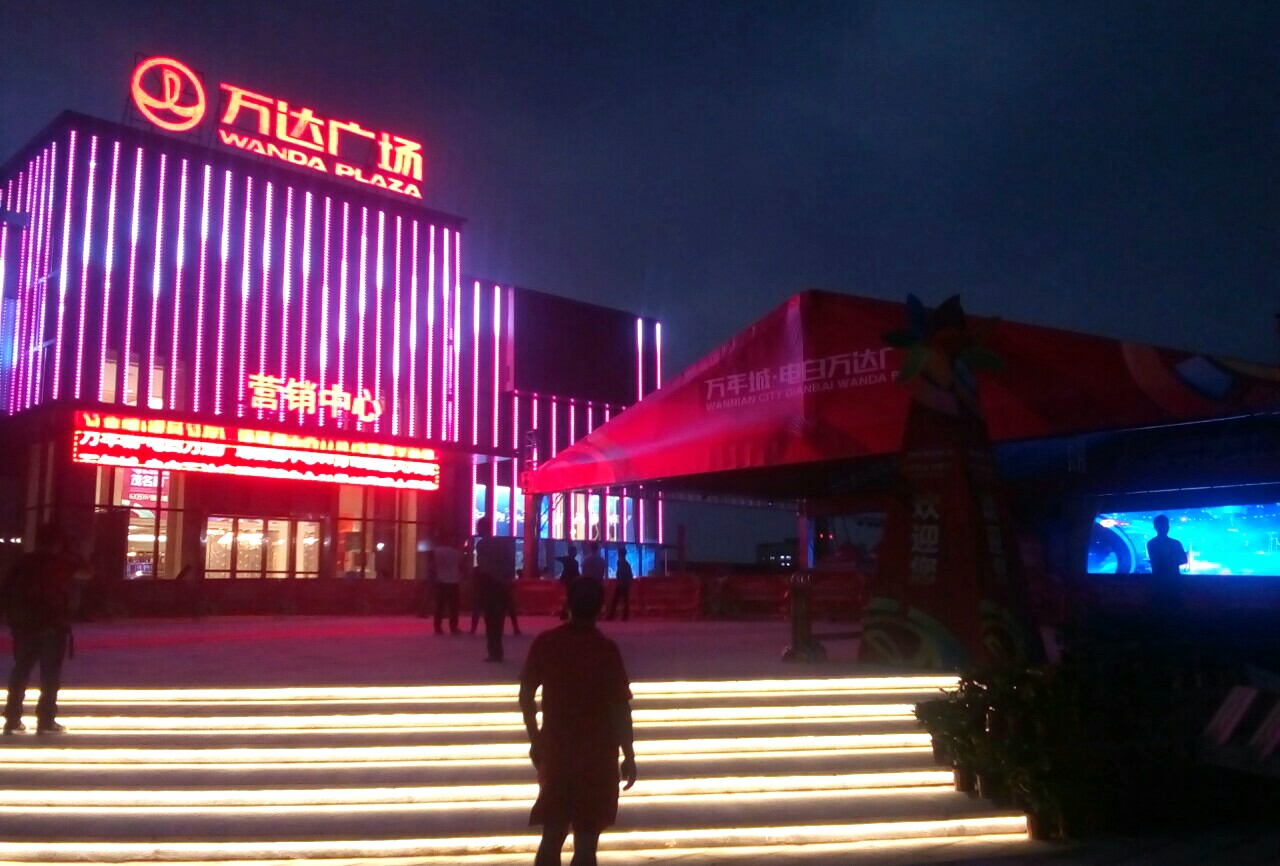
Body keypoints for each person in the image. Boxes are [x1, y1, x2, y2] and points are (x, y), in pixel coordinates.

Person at [520, 578, 637, 866]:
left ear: (567, 604)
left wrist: (536, 738)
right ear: (601, 608)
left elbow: (526, 695)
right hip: (597, 755)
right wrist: (629, 754)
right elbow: (620, 708)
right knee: (586, 842)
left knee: (552, 834)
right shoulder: (606, 650)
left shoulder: (547, 643)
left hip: (557, 750)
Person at [2, 523, 82, 735]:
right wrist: (71, 551)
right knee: (50, 675)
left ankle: (12, 718)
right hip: (52, 626)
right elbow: (87, 571)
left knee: (21, 671)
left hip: (25, 626)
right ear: (57, 543)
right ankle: (46, 719)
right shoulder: (59, 562)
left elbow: (7, 591)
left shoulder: (23, 563)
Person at [475, 525, 516, 662]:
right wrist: (507, 580)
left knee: (490, 619)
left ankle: (494, 651)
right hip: (502, 584)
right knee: (499, 618)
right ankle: (498, 650)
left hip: (490, 583)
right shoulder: (501, 543)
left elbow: (483, 565)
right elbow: (509, 562)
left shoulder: (481, 544)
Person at [1147, 514, 1188, 610]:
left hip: (1157, 582)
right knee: (1175, 608)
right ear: (1168, 527)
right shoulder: (1175, 543)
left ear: (1155, 527)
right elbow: (1184, 560)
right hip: (1174, 581)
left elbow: (1155, 561)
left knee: (1158, 609)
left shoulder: (1151, 543)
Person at [431, 537, 465, 635]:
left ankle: (437, 627)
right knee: (454, 606)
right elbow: (462, 565)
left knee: (440, 606)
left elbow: (432, 565)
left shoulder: (436, 551)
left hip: (441, 580)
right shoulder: (456, 553)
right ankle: (453, 627)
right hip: (454, 581)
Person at [605, 546, 633, 622]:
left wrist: (619, 580)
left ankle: (611, 615)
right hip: (625, 583)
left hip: (621, 583)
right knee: (624, 600)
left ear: (619, 554)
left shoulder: (620, 562)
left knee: (616, 599)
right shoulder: (626, 563)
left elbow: (621, 573)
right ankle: (624, 615)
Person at [555, 545, 580, 621]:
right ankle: (566, 613)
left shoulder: (566, 559)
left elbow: (557, 558)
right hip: (572, 581)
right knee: (570, 597)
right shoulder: (575, 562)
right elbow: (576, 573)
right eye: (575, 552)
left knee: (569, 596)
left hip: (566, 580)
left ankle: (564, 613)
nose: (575, 553)